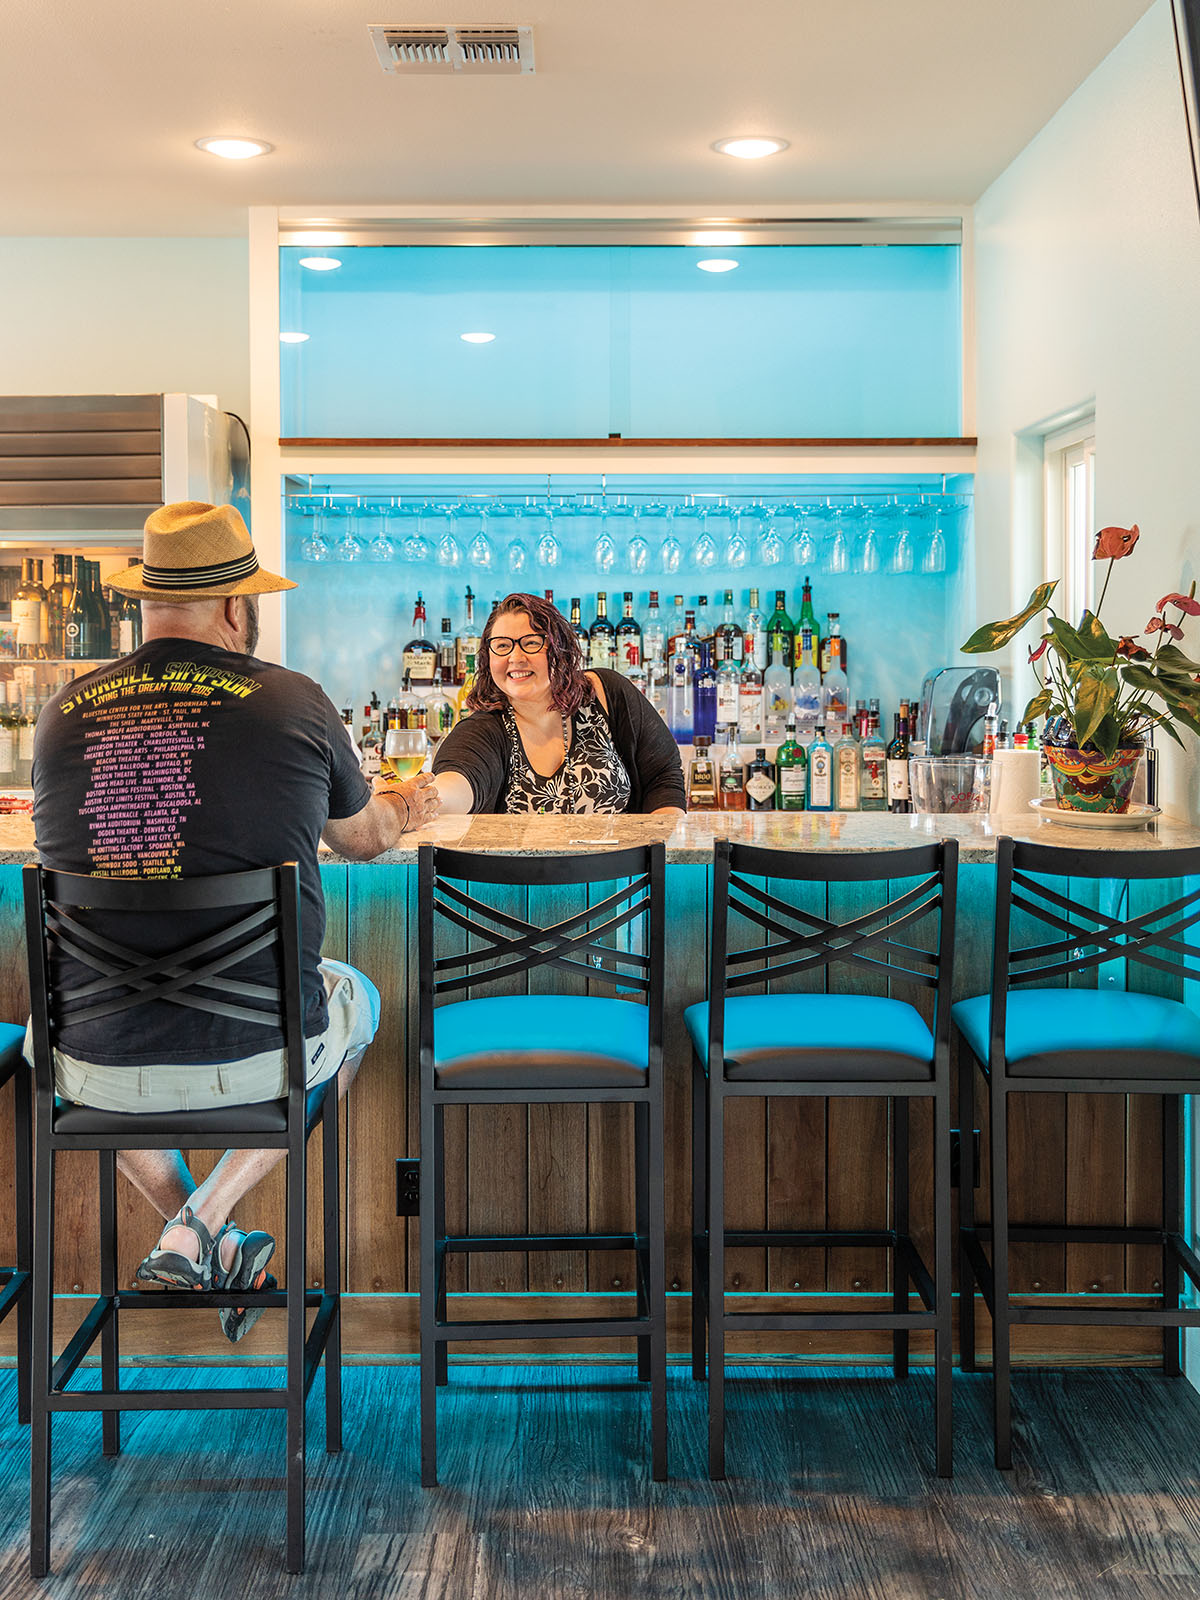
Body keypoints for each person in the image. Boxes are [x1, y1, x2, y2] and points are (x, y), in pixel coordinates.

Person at [31, 500, 440, 1340]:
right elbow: (365, 841)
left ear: (146, 601)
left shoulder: (60, 715)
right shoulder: (294, 701)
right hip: (259, 1063)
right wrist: (409, 802)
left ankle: (194, 1230)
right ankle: (207, 1219)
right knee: (355, 996)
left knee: (50, 1031)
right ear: (234, 607)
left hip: (91, 1069)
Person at [431, 591, 686, 815]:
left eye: (531, 643)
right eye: (502, 645)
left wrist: (661, 846)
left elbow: (663, 775)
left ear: (558, 649)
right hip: (523, 871)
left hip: (623, 868)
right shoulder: (484, 730)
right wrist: (414, 803)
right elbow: (456, 783)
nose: (515, 657)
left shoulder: (606, 692)